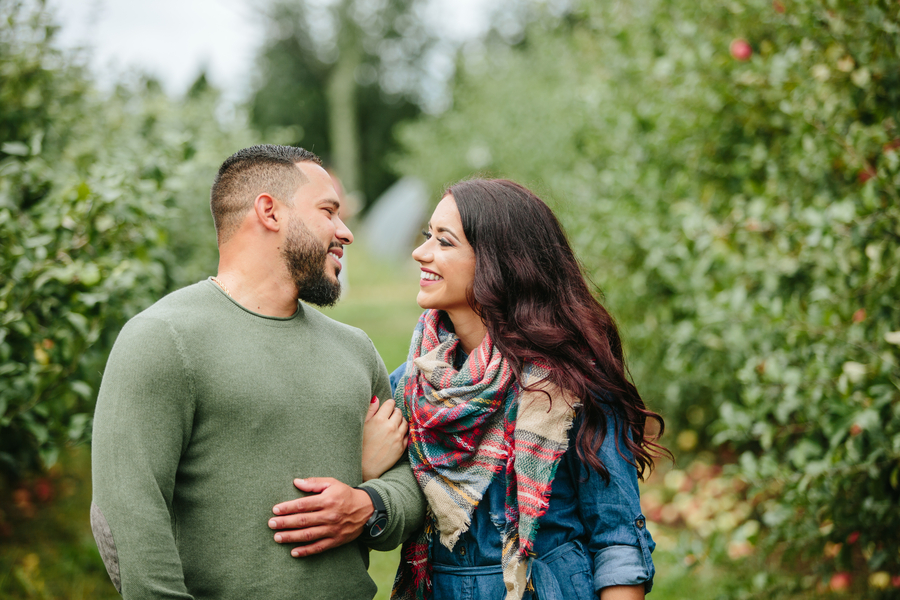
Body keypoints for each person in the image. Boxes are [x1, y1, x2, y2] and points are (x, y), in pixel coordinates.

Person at [90, 145, 424, 600]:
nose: (345, 232)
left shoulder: (355, 349)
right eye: (329, 211)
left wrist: (367, 504)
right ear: (269, 211)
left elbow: (411, 483)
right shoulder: (162, 338)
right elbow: (128, 518)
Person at [388, 179, 668, 599]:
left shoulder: (568, 383)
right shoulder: (410, 387)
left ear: (498, 263)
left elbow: (617, 539)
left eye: (444, 242)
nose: (420, 252)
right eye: (428, 236)